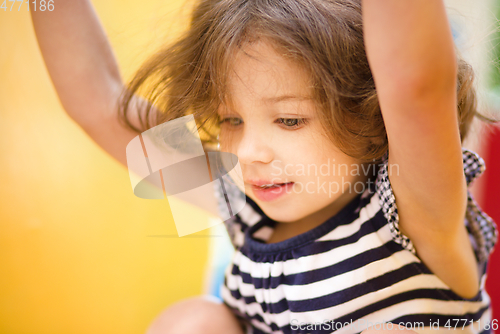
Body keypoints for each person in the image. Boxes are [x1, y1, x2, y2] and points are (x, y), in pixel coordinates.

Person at [31, 0, 499, 333]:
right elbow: (99, 102)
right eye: (231, 118)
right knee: (194, 323)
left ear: (370, 114)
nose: (249, 150)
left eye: (290, 119)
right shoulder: (240, 199)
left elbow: (416, 89)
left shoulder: (412, 212)